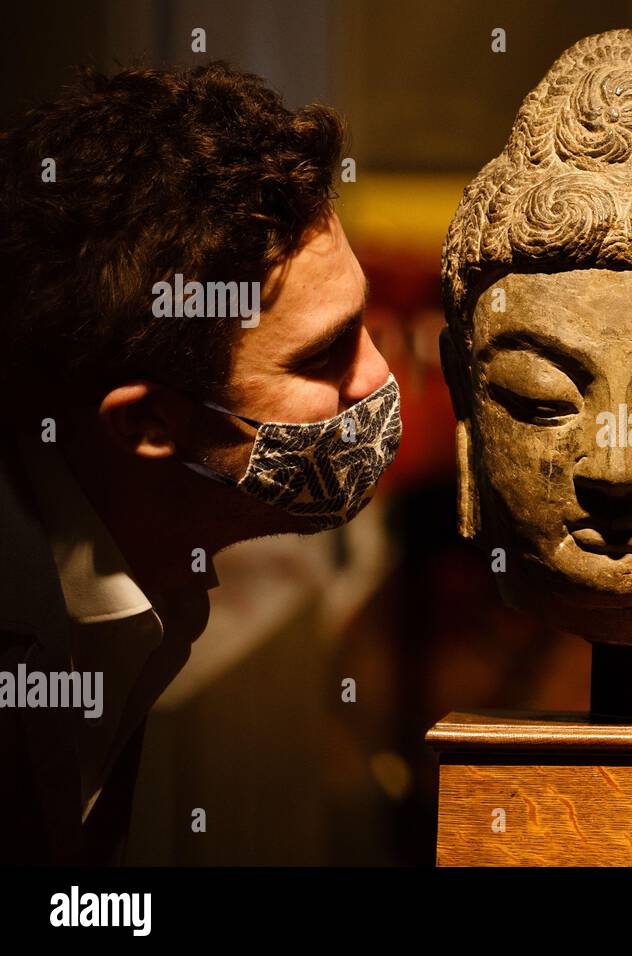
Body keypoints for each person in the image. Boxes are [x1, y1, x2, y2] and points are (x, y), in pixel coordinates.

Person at [0, 63, 401, 864]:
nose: (380, 377)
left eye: (365, 325)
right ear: (149, 423)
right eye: (323, 356)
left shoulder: (145, 584)